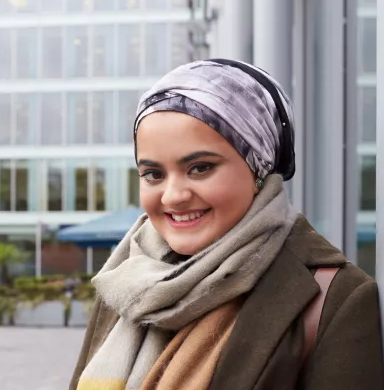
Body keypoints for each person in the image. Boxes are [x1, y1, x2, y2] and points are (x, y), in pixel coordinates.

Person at [70, 59, 384, 390]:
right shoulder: (125, 280)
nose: (173, 196)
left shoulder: (335, 297)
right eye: (153, 174)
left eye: (200, 167)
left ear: (258, 170)